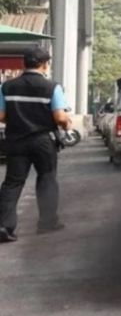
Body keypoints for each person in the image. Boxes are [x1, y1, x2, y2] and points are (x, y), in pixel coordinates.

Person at [0, 46, 71, 243]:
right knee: (47, 178)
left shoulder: (7, 86)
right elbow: (59, 117)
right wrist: (67, 123)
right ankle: (47, 223)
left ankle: (4, 226)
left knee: (12, 182)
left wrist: (18, 122)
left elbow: (1, 116)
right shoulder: (52, 87)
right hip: (42, 141)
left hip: (15, 140)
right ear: (44, 64)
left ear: (24, 63)